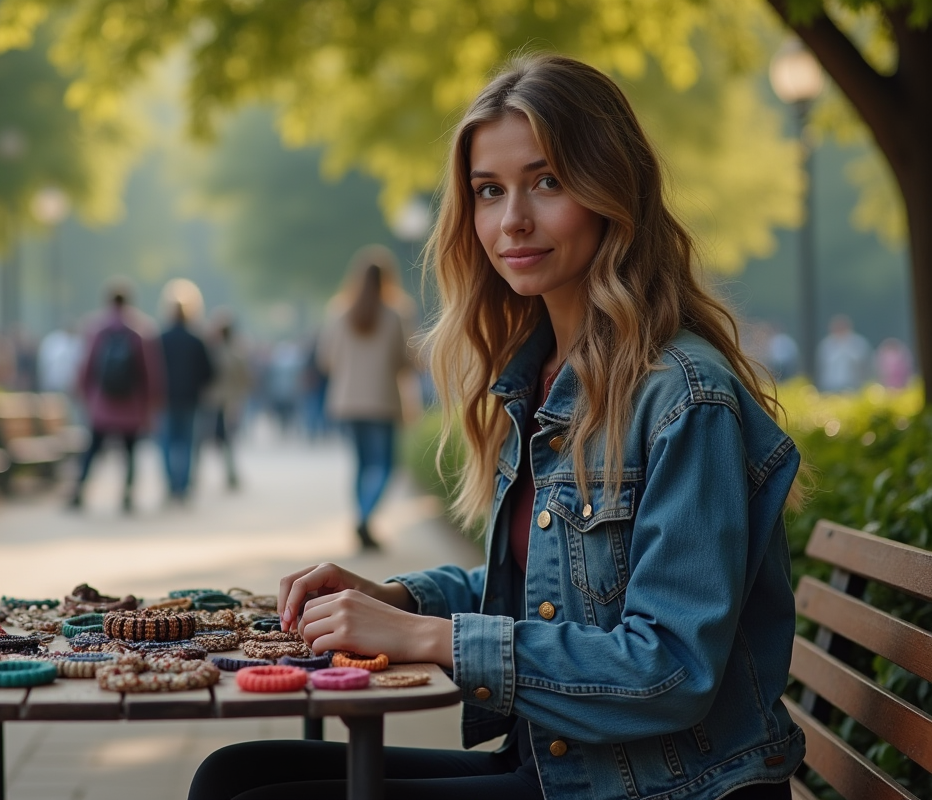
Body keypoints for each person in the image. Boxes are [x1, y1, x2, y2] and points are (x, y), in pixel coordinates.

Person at [190, 54, 803, 800]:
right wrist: (402, 600)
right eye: (489, 191)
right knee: (234, 773)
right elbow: (570, 587)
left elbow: (670, 667)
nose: (512, 219)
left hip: (665, 785)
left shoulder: (683, 396)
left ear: (613, 191)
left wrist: (428, 640)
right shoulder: (544, 371)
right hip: (570, 765)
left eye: (547, 182)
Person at [317, 245, 415, 550]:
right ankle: (365, 517)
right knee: (386, 465)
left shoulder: (338, 312)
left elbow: (325, 360)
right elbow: (405, 361)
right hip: (382, 400)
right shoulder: (396, 314)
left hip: (347, 401)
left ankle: (361, 517)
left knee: (361, 465)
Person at [70, 280, 163, 512]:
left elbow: (87, 366)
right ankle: (128, 495)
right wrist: (151, 403)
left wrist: (84, 395)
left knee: (92, 449)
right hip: (131, 405)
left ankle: (79, 491)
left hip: (102, 404)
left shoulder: (96, 327)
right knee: (130, 452)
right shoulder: (141, 329)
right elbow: (149, 371)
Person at [158, 279, 213, 503]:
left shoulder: (161, 339)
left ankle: (171, 483)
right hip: (190, 399)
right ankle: (184, 485)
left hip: (166, 399)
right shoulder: (196, 340)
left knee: (167, 443)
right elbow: (209, 372)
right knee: (188, 443)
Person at [204, 309, 253, 490]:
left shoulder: (213, 351)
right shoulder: (237, 353)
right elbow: (245, 379)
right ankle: (230, 474)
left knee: (214, 439)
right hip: (230, 401)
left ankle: (224, 474)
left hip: (215, 401)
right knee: (227, 440)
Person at [816, 314, 871, 393]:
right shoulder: (826, 344)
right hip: (830, 384)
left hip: (852, 384)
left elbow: (864, 364)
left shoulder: (858, 343)